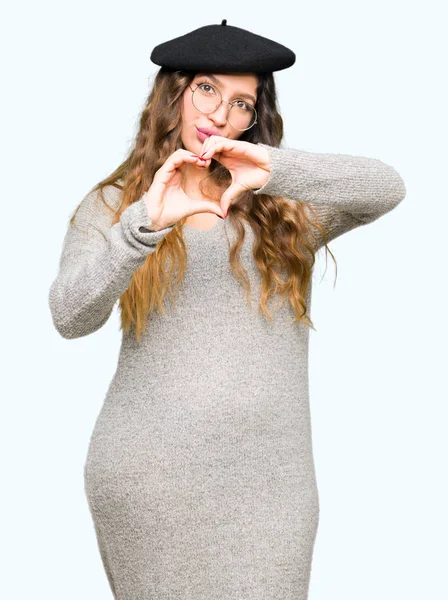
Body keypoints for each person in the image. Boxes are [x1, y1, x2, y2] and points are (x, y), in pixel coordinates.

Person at [48, 20, 407, 600]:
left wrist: (274, 170)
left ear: (254, 118)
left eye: (243, 103)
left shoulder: (288, 211)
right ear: (174, 93)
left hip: (274, 487)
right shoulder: (117, 204)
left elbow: (386, 186)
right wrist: (145, 226)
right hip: (150, 479)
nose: (220, 114)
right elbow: (70, 314)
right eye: (207, 90)